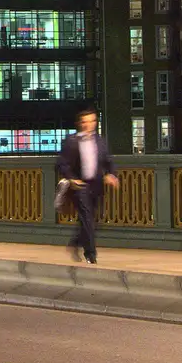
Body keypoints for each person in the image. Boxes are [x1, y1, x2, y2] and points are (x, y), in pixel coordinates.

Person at [57, 109, 118, 265]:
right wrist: (72, 179)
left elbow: (108, 160)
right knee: (87, 219)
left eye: (92, 121)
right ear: (79, 124)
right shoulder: (71, 141)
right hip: (80, 186)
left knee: (94, 220)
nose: (88, 125)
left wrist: (111, 174)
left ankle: (75, 242)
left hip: (97, 185)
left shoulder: (100, 140)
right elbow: (62, 164)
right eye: (85, 122)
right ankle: (91, 254)